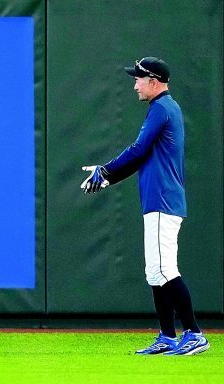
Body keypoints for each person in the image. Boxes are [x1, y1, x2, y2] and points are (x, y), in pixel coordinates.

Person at [80, 57, 209, 356]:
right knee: (155, 271)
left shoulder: (163, 108)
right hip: (157, 200)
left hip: (164, 200)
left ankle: (194, 333)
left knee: (165, 269)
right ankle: (167, 336)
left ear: (154, 81)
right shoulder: (161, 108)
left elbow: (137, 150)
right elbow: (140, 157)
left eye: (138, 78)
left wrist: (106, 170)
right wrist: (107, 177)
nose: (134, 84)